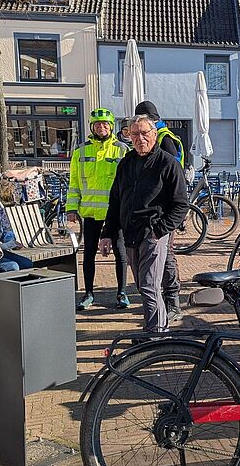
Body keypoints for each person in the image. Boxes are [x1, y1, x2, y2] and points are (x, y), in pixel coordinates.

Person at [100, 114, 189, 333]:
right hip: (130, 234)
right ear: (129, 136)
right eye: (135, 134)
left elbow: (181, 205)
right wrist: (107, 233)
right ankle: (159, 327)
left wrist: (159, 231)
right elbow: (115, 201)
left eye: (145, 133)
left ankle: (154, 336)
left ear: (154, 134)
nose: (140, 138)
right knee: (143, 286)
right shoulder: (126, 163)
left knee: (149, 286)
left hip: (153, 234)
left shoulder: (168, 164)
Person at [67, 108, 130, 310]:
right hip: (91, 213)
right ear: (92, 127)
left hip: (115, 214)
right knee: (88, 254)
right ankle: (88, 294)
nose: (101, 128)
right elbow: (74, 183)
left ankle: (121, 292)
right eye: (97, 124)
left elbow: (129, 184)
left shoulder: (122, 150)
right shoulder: (81, 152)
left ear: (111, 127)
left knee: (121, 253)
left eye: (105, 124)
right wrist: (71, 208)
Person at [134, 100, 186, 322]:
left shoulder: (164, 139)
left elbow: (172, 171)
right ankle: (164, 301)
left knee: (168, 256)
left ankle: (173, 302)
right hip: (153, 213)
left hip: (165, 212)